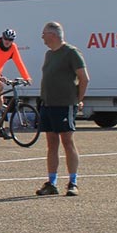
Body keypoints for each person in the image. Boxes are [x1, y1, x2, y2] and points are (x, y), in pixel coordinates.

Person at [35, 21, 89, 197]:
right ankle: (52, 182)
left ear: (53, 34)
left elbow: (84, 78)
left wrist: (77, 100)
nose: (42, 36)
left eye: (44, 33)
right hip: (48, 105)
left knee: (67, 141)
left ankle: (73, 182)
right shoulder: (49, 55)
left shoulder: (71, 53)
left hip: (64, 105)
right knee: (51, 144)